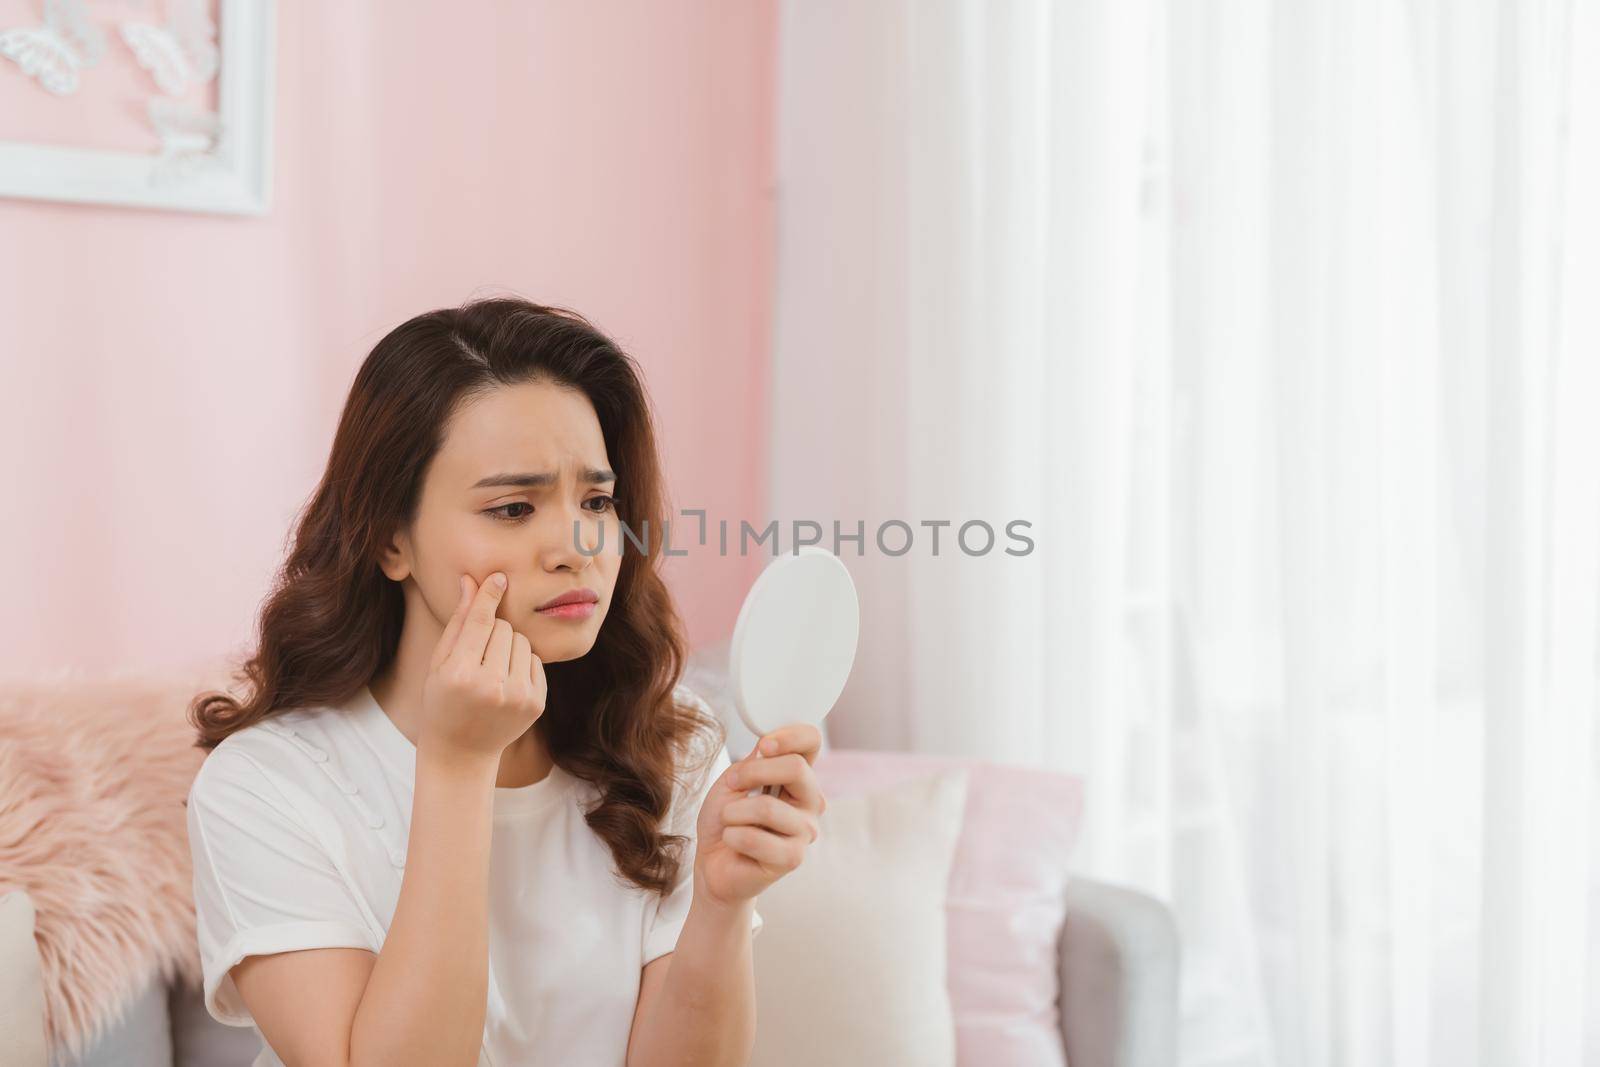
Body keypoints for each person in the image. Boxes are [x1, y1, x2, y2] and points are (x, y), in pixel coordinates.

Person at [184, 296, 825, 1067]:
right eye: (514, 507)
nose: (576, 545)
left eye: (596, 500)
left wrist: (720, 907)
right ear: (392, 539)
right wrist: (456, 767)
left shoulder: (670, 743)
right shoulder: (265, 786)